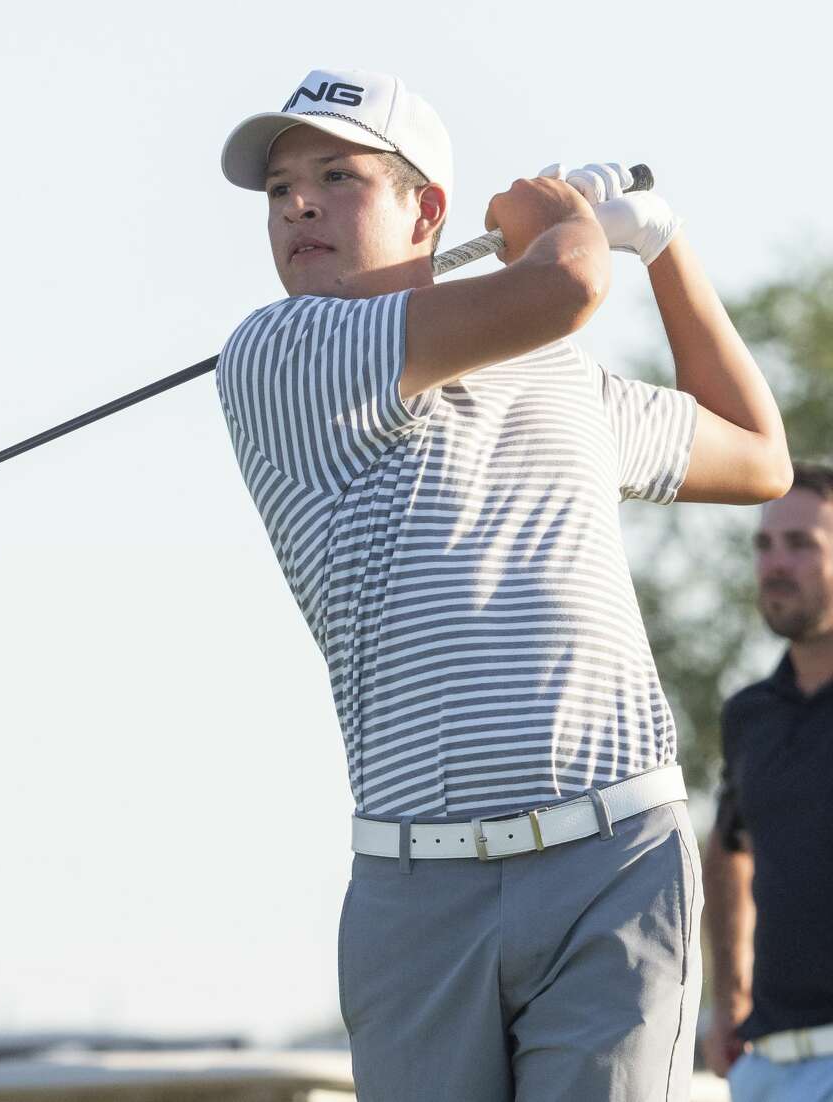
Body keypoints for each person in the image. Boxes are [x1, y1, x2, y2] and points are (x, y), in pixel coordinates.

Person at [214, 67, 792, 1101]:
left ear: (424, 209)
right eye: (279, 189)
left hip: (614, 863)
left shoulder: (562, 376)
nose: (297, 203)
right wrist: (557, 221)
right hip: (414, 887)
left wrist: (661, 245)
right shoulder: (280, 352)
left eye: (337, 176)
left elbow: (760, 456)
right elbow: (565, 285)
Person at [703, 462, 833, 1100]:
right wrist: (728, 998)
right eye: (764, 544)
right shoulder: (748, 713)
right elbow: (729, 846)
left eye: (802, 544)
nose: (776, 563)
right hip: (769, 1069)